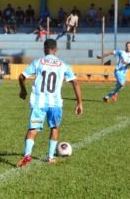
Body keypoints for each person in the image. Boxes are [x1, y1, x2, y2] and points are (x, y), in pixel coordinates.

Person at [17, 39, 83, 167]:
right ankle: (50, 157)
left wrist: (23, 90)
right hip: (55, 103)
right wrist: (79, 102)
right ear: (56, 49)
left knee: (32, 130)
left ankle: (27, 156)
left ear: (44, 49)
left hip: (39, 103)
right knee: (54, 128)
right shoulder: (63, 65)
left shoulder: (38, 62)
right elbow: (75, 82)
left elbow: (21, 76)